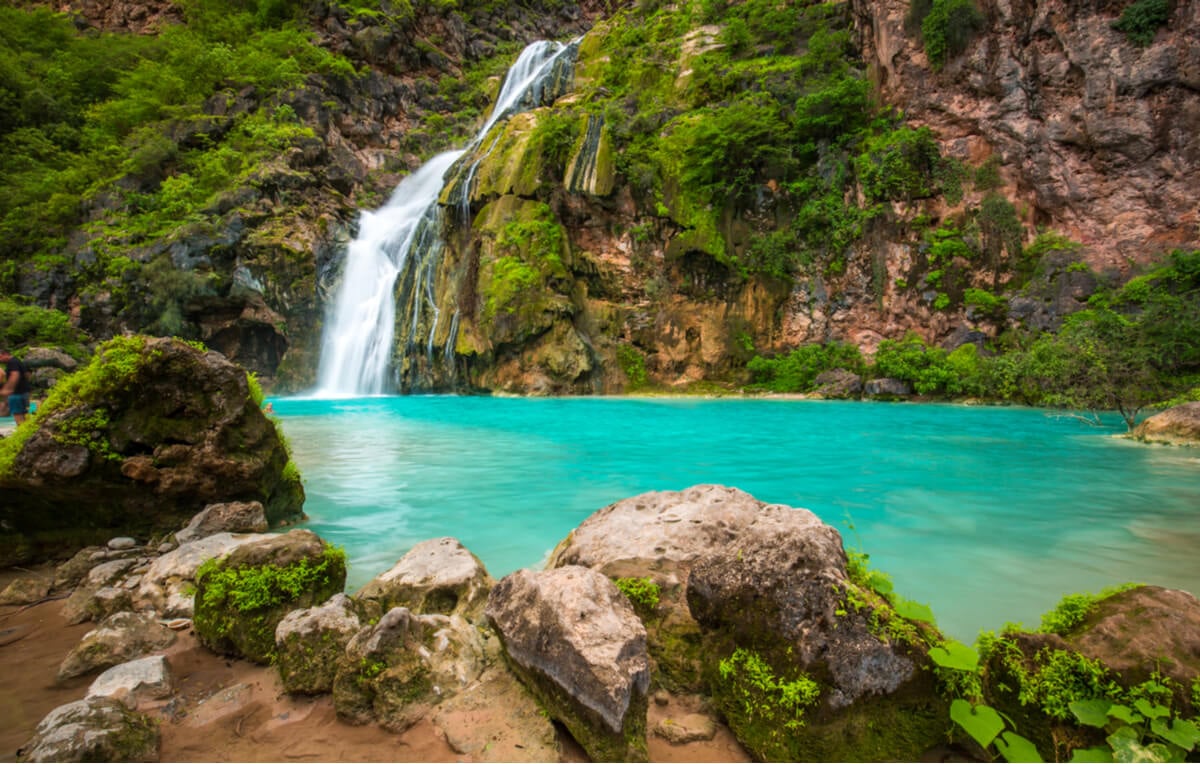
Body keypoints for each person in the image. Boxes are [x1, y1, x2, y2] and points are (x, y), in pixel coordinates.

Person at [0, 349, 32, 425]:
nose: (0, 359)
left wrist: (7, 389)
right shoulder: (18, 361)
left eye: (0, 357)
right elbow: (27, 375)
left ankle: (21, 434)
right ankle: (25, 432)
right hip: (24, 392)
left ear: (5, 354)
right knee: (24, 416)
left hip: (16, 394)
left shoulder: (12, 362)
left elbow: (15, 375)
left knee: (18, 416)